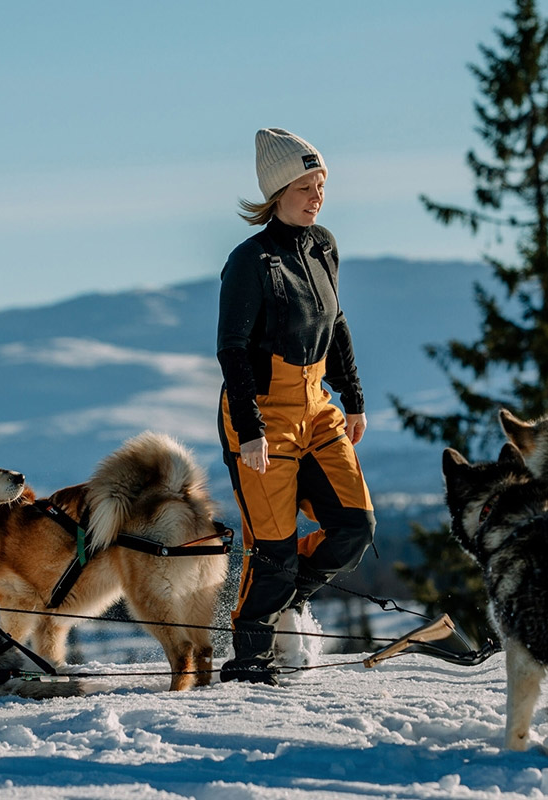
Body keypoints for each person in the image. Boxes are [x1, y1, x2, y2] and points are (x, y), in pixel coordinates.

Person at [216, 127, 376, 685]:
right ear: (278, 191)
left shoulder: (324, 244)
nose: (317, 195)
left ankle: (289, 597)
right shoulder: (250, 261)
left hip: (317, 403)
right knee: (274, 548)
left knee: (355, 526)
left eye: (322, 183)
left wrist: (352, 397)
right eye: (307, 185)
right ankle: (250, 658)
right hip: (261, 413)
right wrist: (250, 427)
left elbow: (338, 325)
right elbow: (231, 349)